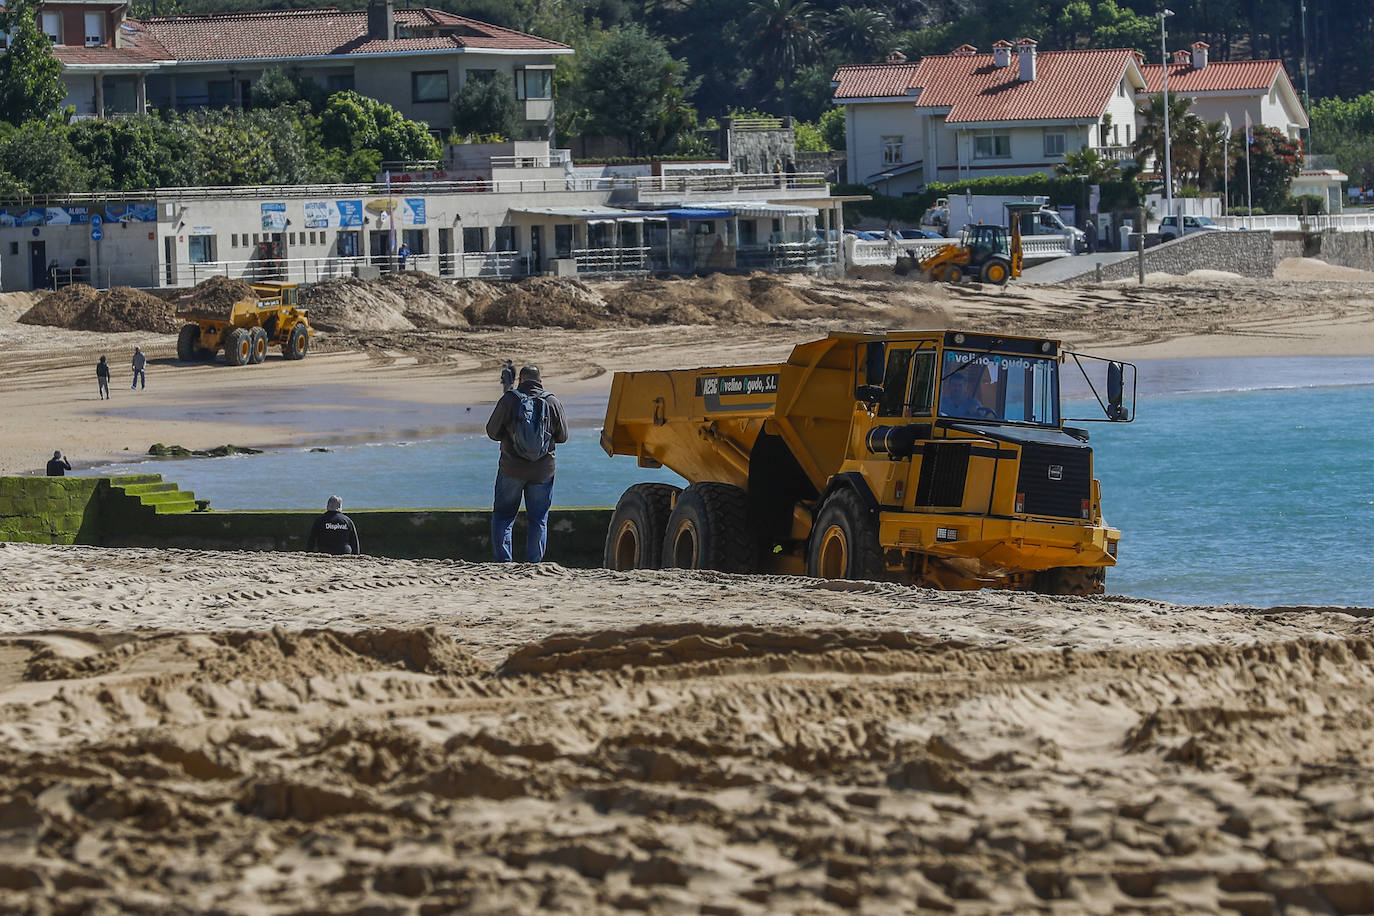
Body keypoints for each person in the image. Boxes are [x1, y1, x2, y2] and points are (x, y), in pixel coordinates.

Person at [485, 365, 569, 563]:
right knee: (539, 518)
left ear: (520, 379)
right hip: (542, 471)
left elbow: (492, 432)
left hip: (512, 468)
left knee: (504, 516)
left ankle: (504, 562)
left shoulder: (509, 400)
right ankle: (534, 563)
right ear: (540, 380)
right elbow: (563, 436)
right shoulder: (552, 401)